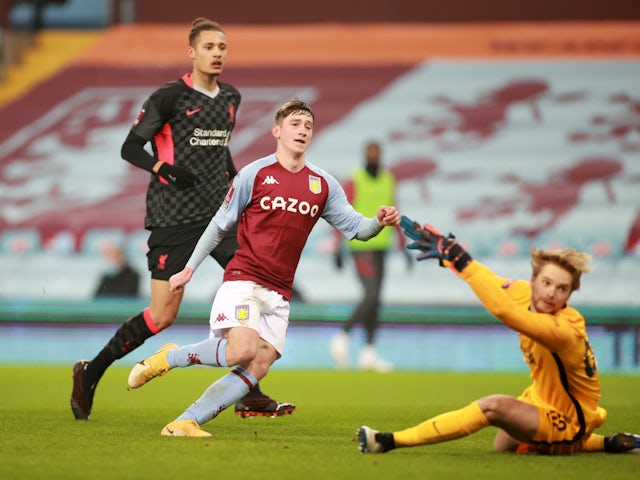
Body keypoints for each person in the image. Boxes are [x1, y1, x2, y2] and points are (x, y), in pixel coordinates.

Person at [127, 98, 401, 437]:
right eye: (295, 124)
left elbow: (357, 229)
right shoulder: (254, 174)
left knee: (259, 364)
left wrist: (378, 221)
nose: (303, 130)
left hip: (280, 291)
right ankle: (169, 358)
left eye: (308, 126)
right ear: (277, 131)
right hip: (244, 279)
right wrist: (189, 268)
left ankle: (186, 421)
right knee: (241, 351)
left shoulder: (323, 185)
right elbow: (218, 225)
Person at [70, 17, 292, 421]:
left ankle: (248, 390)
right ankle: (90, 373)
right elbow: (130, 147)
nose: (218, 53)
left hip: (218, 218)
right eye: (210, 47)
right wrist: (164, 170)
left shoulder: (231, 98)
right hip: (173, 218)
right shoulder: (169, 97)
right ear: (192, 52)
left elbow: (220, 152)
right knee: (163, 315)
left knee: (252, 286)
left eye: (222, 47)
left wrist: (241, 186)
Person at [357, 216, 640, 455]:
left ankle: (388, 441)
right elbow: (486, 278)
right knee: (503, 445)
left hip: (570, 418)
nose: (551, 293)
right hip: (539, 399)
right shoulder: (520, 291)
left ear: (570, 294)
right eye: (546, 283)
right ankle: (611, 443)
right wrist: (450, 258)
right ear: (532, 281)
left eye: (561, 289)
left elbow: (505, 312)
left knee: (493, 407)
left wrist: (460, 259)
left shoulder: (565, 329)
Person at [330, 140, 410, 372]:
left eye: (377, 153)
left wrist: (402, 242)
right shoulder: (356, 179)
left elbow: (394, 209)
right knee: (371, 294)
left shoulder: (388, 179)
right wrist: (337, 244)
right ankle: (342, 335)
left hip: (382, 246)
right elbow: (342, 209)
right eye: (370, 153)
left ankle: (369, 353)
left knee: (376, 300)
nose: (373, 157)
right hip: (360, 245)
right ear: (364, 155)